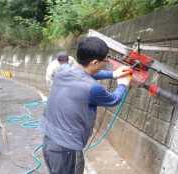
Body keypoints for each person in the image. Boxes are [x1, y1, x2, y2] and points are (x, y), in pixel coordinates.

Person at [41, 36, 132, 174]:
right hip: (68, 150)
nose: (106, 62)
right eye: (105, 60)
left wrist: (113, 74)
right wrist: (123, 83)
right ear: (95, 62)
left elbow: (85, 73)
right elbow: (114, 99)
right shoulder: (93, 88)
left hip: (48, 141)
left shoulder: (62, 71)